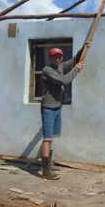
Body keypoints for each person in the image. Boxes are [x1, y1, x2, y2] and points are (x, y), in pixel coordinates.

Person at [40, 47, 84, 180]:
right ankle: (46, 171)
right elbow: (64, 81)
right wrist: (76, 69)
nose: (57, 59)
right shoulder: (47, 70)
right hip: (48, 108)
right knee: (47, 139)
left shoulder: (61, 66)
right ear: (50, 58)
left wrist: (85, 46)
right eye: (55, 56)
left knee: (52, 137)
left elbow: (75, 59)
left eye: (59, 56)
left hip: (57, 107)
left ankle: (48, 165)